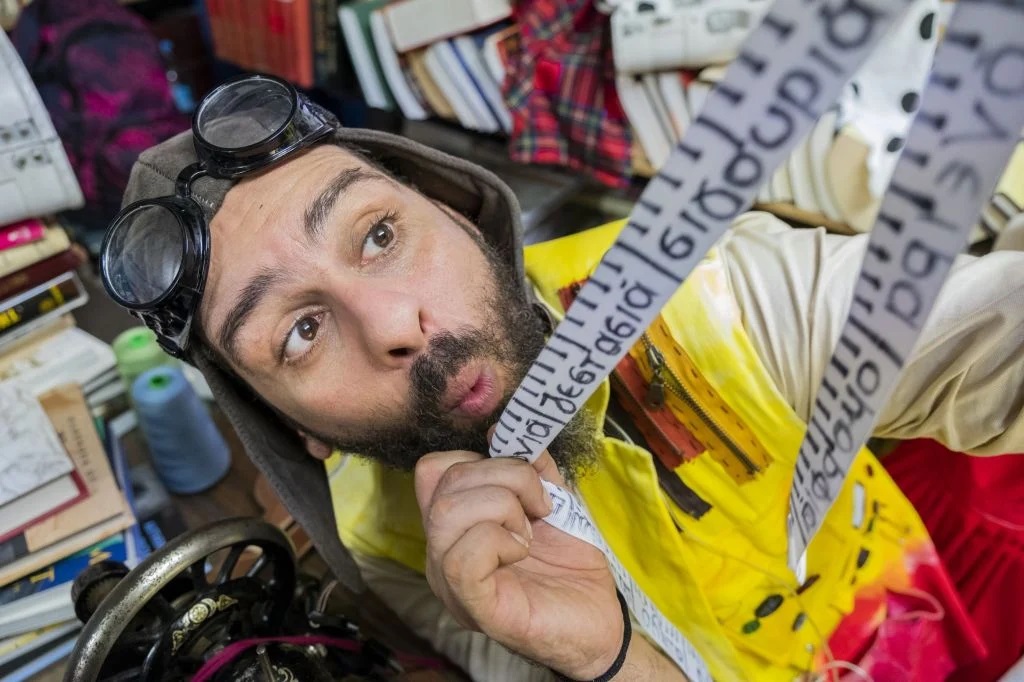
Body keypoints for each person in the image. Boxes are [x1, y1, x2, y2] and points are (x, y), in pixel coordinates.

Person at [102, 75, 1024, 681]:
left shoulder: (706, 292)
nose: (393, 327)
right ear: (293, 428)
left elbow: (986, 335)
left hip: (918, 617)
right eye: (301, 334)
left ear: (464, 214)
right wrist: (605, 659)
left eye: (380, 234)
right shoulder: (385, 541)